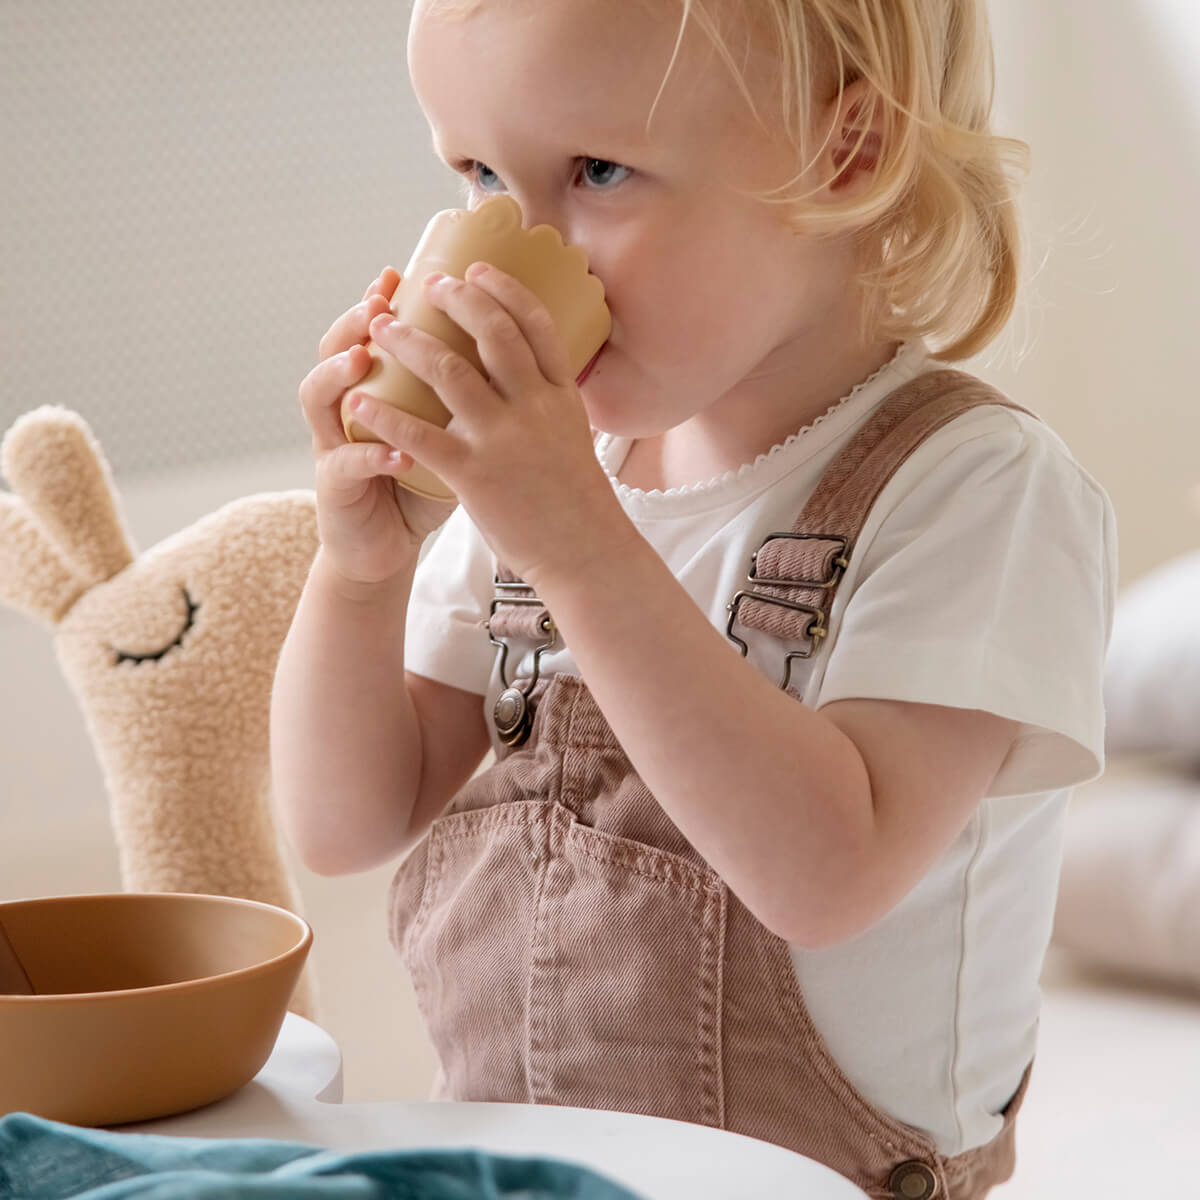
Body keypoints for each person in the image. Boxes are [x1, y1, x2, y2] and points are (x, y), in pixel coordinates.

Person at [271, 1, 1117, 1196]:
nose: (524, 246)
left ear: (849, 155)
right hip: (527, 1172)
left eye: (599, 171)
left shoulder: (975, 494)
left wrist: (579, 545)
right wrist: (360, 571)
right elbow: (342, 823)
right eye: (477, 176)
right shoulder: (545, 489)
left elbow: (830, 876)